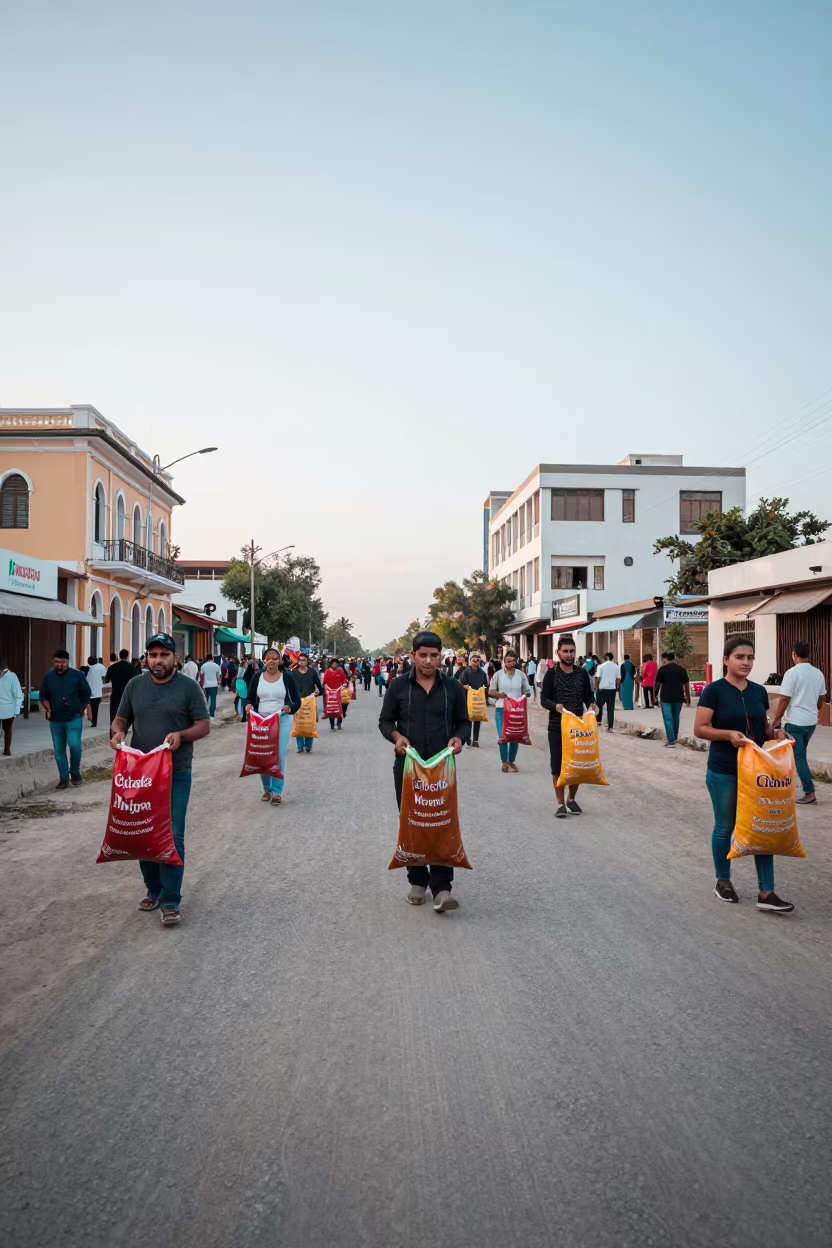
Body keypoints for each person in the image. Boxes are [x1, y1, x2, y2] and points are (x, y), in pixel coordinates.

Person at [111, 632, 210, 925]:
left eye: (163, 655)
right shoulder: (135, 685)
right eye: (152, 655)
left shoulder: (189, 687)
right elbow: (122, 718)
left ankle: (171, 899)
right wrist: (117, 732)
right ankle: (153, 888)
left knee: (173, 834)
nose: (157, 660)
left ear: (175, 658)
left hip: (176, 772)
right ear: (146, 658)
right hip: (141, 774)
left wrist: (182, 735)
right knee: (142, 833)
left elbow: (203, 726)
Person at [694, 636, 793, 912]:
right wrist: (727, 735)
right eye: (740, 657)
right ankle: (723, 881)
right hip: (724, 769)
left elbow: (763, 730)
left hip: (758, 773)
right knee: (725, 827)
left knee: (762, 829)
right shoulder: (714, 691)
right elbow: (700, 728)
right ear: (726, 660)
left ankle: (767, 892)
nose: (746, 662)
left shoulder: (758, 691)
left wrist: (777, 734)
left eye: (750, 657)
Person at [379, 630, 469, 912]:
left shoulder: (452, 686)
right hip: (408, 768)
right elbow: (385, 721)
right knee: (414, 821)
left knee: (441, 822)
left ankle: (442, 888)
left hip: (442, 769)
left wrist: (458, 739)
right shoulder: (397, 686)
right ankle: (417, 880)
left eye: (434, 655)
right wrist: (396, 738)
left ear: (441, 657)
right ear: (413, 656)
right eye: (423, 655)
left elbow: (463, 723)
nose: (428, 661)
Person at [540, 635, 598, 818]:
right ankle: (560, 804)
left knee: (577, 764)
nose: (569, 654)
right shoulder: (551, 673)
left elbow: (588, 696)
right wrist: (554, 706)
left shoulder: (581, 673)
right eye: (565, 651)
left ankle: (572, 799)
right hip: (557, 726)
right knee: (557, 765)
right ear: (558, 653)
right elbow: (543, 699)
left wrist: (592, 704)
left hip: (578, 726)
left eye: (572, 651)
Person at [772, 641, 827, 805]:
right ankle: (787, 785)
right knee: (798, 755)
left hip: (795, 721)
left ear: (794, 654)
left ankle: (809, 792)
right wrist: (814, 708)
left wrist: (776, 720)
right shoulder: (818, 673)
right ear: (809, 655)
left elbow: (783, 699)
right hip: (810, 722)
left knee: (799, 757)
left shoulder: (791, 673)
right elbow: (822, 698)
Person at [245, 647, 301, 803]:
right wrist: (248, 706)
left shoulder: (287, 677)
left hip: (281, 719)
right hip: (261, 721)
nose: (272, 661)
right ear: (264, 660)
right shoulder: (257, 677)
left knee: (279, 755)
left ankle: (277, 791)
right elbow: (249, 698)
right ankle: (267, 789)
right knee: (263, 755)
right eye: (269, 658)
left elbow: (297, 700)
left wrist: (290, 708)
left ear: (280, 661)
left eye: (275, 658)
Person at [39, 650, 92, 789]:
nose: (60, 665)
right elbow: (43, 696)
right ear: (53, 661)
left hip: (73, 718)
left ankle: (74, 772)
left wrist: (81, 709)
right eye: (57, 662)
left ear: (68, 662)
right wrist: (48, 708)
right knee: (59, 750)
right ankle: (63, 778)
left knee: (74, 745)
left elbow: (87, 694)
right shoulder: (48, 677)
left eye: (62, 662)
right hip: (55, 720)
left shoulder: (78, 676)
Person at [489, 649, 531, 773]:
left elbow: (527, 690)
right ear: (504, 662)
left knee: (515, 736)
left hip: (517, 710)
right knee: (503, 736)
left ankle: (511, 760)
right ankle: (504, 762)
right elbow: (490, 691)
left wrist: (525, 693)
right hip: (501, 709)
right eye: (508, 661)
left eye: (513, 661)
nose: (511, 663)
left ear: (515, 661)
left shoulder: (521, 675)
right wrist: (500, 695)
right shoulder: (498, 675)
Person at [655, 651, 691, 748]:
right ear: (674, 658)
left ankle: (671, 741)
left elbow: (657, 684)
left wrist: (654, 696)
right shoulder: (681, 669)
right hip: (678, 698)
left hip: (666, 698)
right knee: (675, 718)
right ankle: (674, 738)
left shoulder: (662, 669)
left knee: (668, 719)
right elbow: (686, 684)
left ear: (666, 658)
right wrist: (688, 698)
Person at [292, 651, 323, 753]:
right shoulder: (294, 672)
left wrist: (320, 692)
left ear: (307, 661)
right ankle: (300, 747)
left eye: (304, 660)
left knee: (309, 724)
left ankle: (308, 746)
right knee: (299, 724)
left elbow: (318, 684)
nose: (302, 662)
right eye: (300, 660)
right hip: (298, 700)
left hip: (309, 699)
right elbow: (290, 686)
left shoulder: (312, 672)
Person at [459, 652, 489, 747]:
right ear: (470, 662)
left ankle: (475, 740)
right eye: (474, 660)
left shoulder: (482, 673)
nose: (475, 662)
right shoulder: (466, 672)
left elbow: (486, 685)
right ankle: (468, 738)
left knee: (477, 719)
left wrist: (486, 698)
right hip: (468, 699)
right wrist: (464, 686)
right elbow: (459, 683)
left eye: (477, 661)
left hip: (478, 700)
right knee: (468, 720)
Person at [105, 649, 135, 726]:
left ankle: (113, 727)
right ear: (127, 656)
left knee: (114, 713)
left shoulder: (112, 667)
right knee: (126, 712)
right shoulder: (131, 667)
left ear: (119, 656)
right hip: (126, 693)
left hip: (115, 693)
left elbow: (106, 680)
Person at [0, 657, 23, 756]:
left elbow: (18, 695)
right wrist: (16, 711)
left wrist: (16, 711)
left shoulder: (12, 676)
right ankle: (7, 750)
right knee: (8, 729)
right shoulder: (12, 676)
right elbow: (18, 695)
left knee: (7, 729)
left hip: (8, 709)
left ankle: (7, 750)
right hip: (7, 708)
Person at [594, 652, 620, 731]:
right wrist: (616, 688)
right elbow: (618, 680)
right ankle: (610, 726)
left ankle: (598, 722)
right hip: (611, 689)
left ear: (605, 658)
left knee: (599, 706)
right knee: (610, 708)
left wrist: (597, 687)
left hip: (602, 689)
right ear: (612, 658)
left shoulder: (600, 666)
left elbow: (598, 678)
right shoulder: (616, 667)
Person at [323, 656, 349, 729]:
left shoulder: (340, 671)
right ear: (331, 664)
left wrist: (344, 684)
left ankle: (339, 722)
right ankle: (332, 725)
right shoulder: (327, 671)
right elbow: (324, 681)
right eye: (333, 663)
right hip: (329, 692)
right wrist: (324, 686)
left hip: (339, 692)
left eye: (336, 663)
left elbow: (344, 679)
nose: (335, 665)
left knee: (342, 707)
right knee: (331, 709)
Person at [85, 653, 108, 727]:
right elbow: (104, 678)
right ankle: (97, 720)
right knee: (97, 706)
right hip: (99, 690)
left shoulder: (88, 668)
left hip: (91, 690)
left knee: (92, 707)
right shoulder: (101, 667)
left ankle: (94, 721)